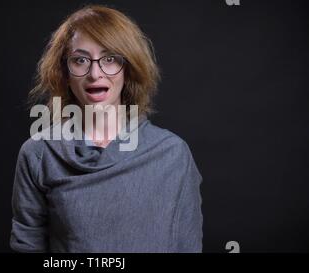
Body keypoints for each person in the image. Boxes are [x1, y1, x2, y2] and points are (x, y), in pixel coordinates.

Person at [10, 4, 203, 253]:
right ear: (65, 73)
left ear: (128, 69)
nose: (94, 73)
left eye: (110, 59)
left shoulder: (173, 154)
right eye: (80, 60)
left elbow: (187, 245)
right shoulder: (38, 154)